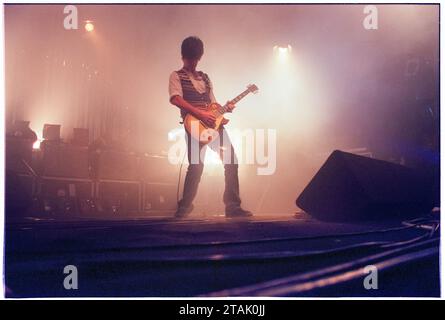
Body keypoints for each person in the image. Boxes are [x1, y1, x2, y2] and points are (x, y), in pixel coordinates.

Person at [169, 36, 252, 218]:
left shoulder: (205, 78)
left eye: (196, 58)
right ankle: (184, 206)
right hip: (193, 126)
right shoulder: (176, 76)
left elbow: (213, 104)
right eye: (190, 58)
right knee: (196, 166)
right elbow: (176, 99)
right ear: (183, 57)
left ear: (200, 57)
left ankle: (232, 205)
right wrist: (200, 114)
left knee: (231, 160)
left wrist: (224, 110)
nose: (193, 62)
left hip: (214, 126)